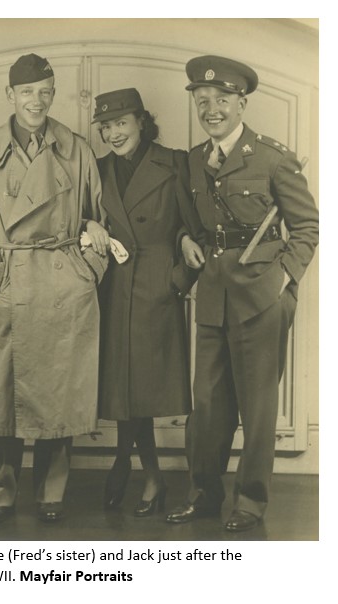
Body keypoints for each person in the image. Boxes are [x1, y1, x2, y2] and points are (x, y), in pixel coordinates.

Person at [0, 53, 109, 525]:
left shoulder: (76, 148)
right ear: (10, 96)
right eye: (26, 92)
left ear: (53, 94)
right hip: (10, 284)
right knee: (1, 396)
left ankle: (52, 491)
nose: (36, 101)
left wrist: (90, 269)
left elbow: (99, 216)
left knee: (58, 394)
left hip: (65, 284)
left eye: (44, 91)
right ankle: (1, 491)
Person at [166, 56, 319, 531]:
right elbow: (191, 226)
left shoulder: (273, 158)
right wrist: (184, 241)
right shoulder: (193, 160)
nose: (212, 109)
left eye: (222, 100)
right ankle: (204, 495)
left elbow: (308, 228)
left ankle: (250, 502)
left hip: (261, 298)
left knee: (257, 406)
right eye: (202, 101)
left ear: (241, 103)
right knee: (207, 406)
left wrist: (283, 279)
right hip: (213, 295)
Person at [91, 88, 202, 516]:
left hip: (156, 287)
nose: (114, 133)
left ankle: (142, 469)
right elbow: (83, 214)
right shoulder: (97, 169)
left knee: (143, 387)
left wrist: (177, 279)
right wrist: (87, 221)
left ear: (141, 121)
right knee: (122, 387)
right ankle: (136, 466)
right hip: (113, 288)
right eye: (106, 126)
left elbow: (195, 227)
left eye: (122, 123)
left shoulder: (174, 163)